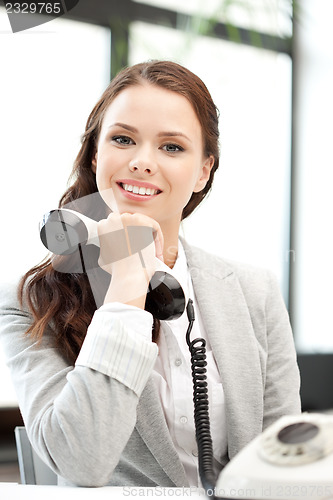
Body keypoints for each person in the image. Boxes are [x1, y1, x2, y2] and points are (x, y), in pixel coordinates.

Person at [0, 60, 301, 489]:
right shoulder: (28, 299)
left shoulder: (255, 291)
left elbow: (285, 459)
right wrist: (125, 288)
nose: (142, 162)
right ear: (95, 154)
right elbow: (80, 460)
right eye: (123, 139)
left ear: (203, 171)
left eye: (172, 147)